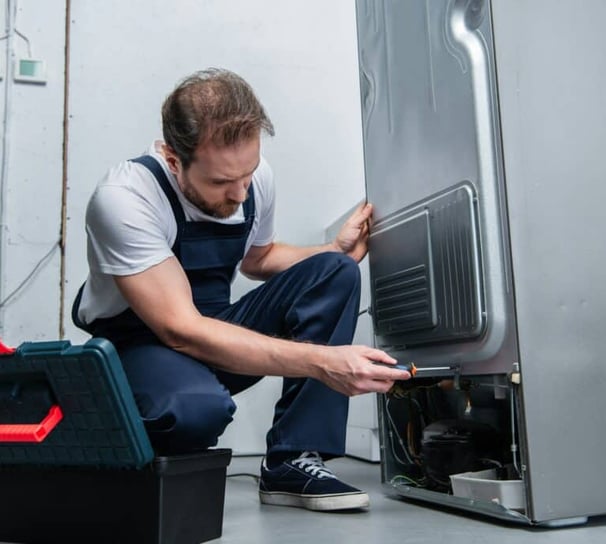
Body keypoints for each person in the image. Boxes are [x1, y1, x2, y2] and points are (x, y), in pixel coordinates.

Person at [72, 68, 410, 512]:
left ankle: (292, 460)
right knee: (196, 411)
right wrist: (322, 362)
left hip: (211, 328)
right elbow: (180, 330)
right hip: (142, 345)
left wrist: (332, 249)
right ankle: (128, 440)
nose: (239, 192)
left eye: (247, 173)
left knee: (335, 271)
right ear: (174, 159)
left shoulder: (252, 178)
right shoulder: (125, 198)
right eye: (219, 182)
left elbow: (258, 258)